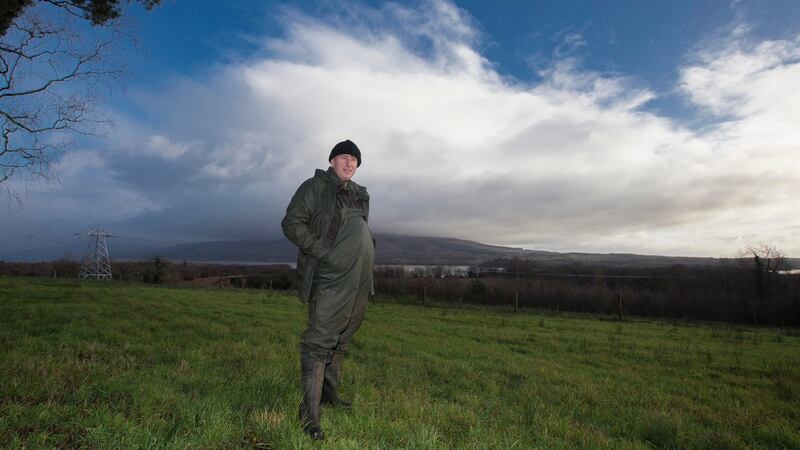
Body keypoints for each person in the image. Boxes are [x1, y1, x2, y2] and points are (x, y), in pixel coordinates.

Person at [281, 139, 375, 440]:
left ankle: (329, 396)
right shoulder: (315, 187)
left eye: (354, 160)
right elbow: (291, 223)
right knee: (318, 341)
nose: (349, 164)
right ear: (333, 161)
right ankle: (308, 415)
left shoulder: (360, 194)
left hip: (358, 279)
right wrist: (322, 250)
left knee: (341, 339)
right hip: (330, 278)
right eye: (344, 158)